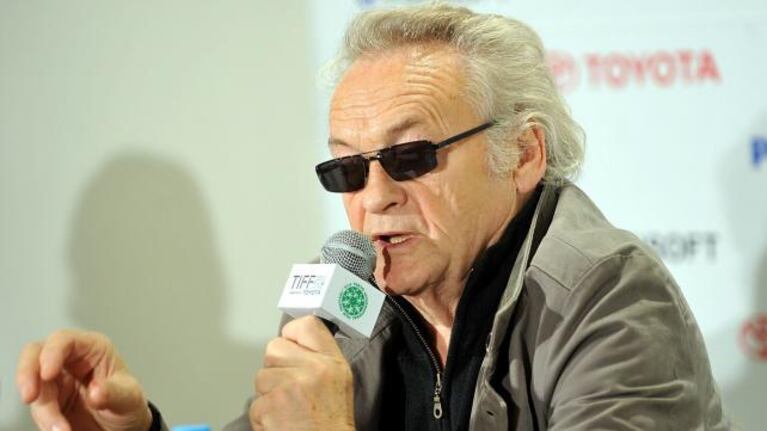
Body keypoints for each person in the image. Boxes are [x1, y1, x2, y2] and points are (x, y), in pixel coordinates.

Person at [16, 3, 729, 430]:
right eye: (348, 170)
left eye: (411, 156)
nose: (374, 197)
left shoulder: (609, 296)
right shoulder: (344, 303)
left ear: (522, 153)